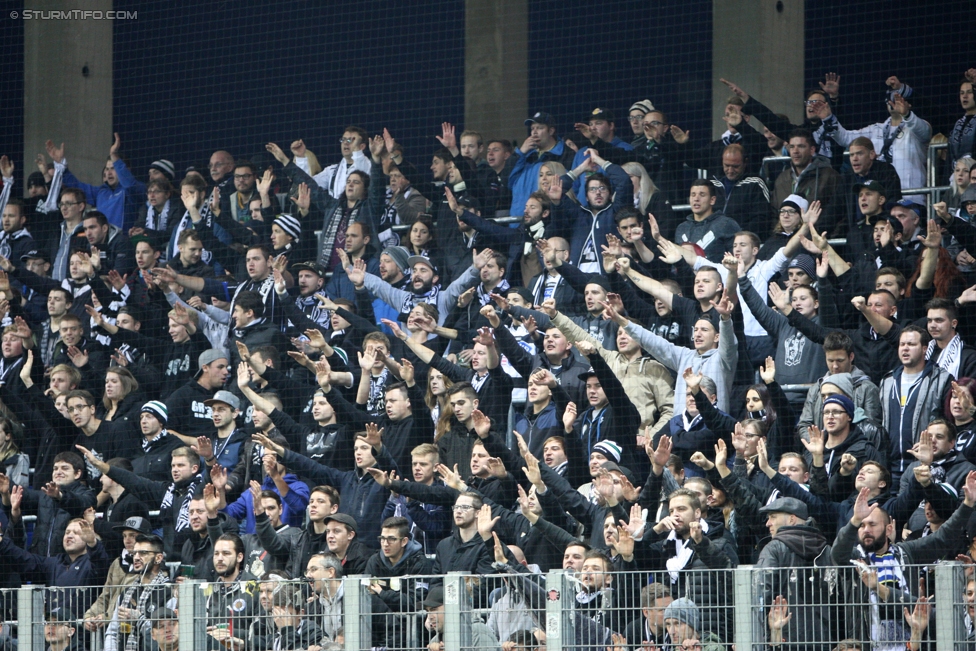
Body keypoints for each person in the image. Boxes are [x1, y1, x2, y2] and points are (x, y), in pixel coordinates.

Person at [880, 325, 953, 484]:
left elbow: (949, 423)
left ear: (924, 349)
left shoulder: (942, 379)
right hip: (889, 468)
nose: (905, 349)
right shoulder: (887, 381)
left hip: (924, 466)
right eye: (902, 344)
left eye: (911, 344)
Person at [673, 180, 741, 263]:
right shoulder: (681, 228)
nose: (696, 199)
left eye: (702, 195)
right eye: (693, 195)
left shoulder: (726, 224)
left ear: (712, 200)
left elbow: (738, 259)